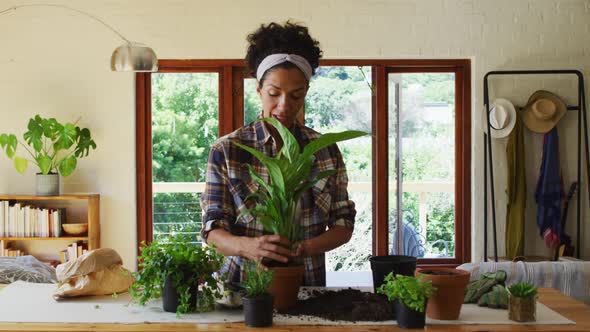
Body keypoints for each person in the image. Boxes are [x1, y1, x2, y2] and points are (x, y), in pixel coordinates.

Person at [200, 21, 356, 286]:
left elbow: (343, 225)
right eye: (274, 93)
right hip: (242, 289)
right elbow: (212, 229)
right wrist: (247, 246)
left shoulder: (324, 150)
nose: (284, 105)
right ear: (259, 90)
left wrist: (305, 247)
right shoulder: (228, 150)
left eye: (296, 95)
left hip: (306, 287)